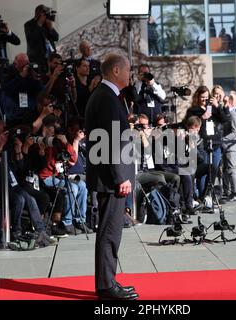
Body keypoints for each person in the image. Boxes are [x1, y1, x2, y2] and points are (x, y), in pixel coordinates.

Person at [85, 53, 138, 300]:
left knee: (111, 231)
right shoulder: (106, 98)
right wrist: (120, 177)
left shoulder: (107, 96)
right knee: (109, 232)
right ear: (116, 71)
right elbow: (111, 141)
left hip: (110, 177)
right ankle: (106, 287)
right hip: (111, 179)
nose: (130, 75)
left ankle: (109, 281)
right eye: (128, 70)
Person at [24, 5, 59, 74]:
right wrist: (39, 23)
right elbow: (32, 40)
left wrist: (51, 28)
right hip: (38, 60)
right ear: (40, 14)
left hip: (51, 58)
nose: (47, 16)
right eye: (46, 14)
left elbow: (56, 38)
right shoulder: (28, 25)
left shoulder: (47, 24)